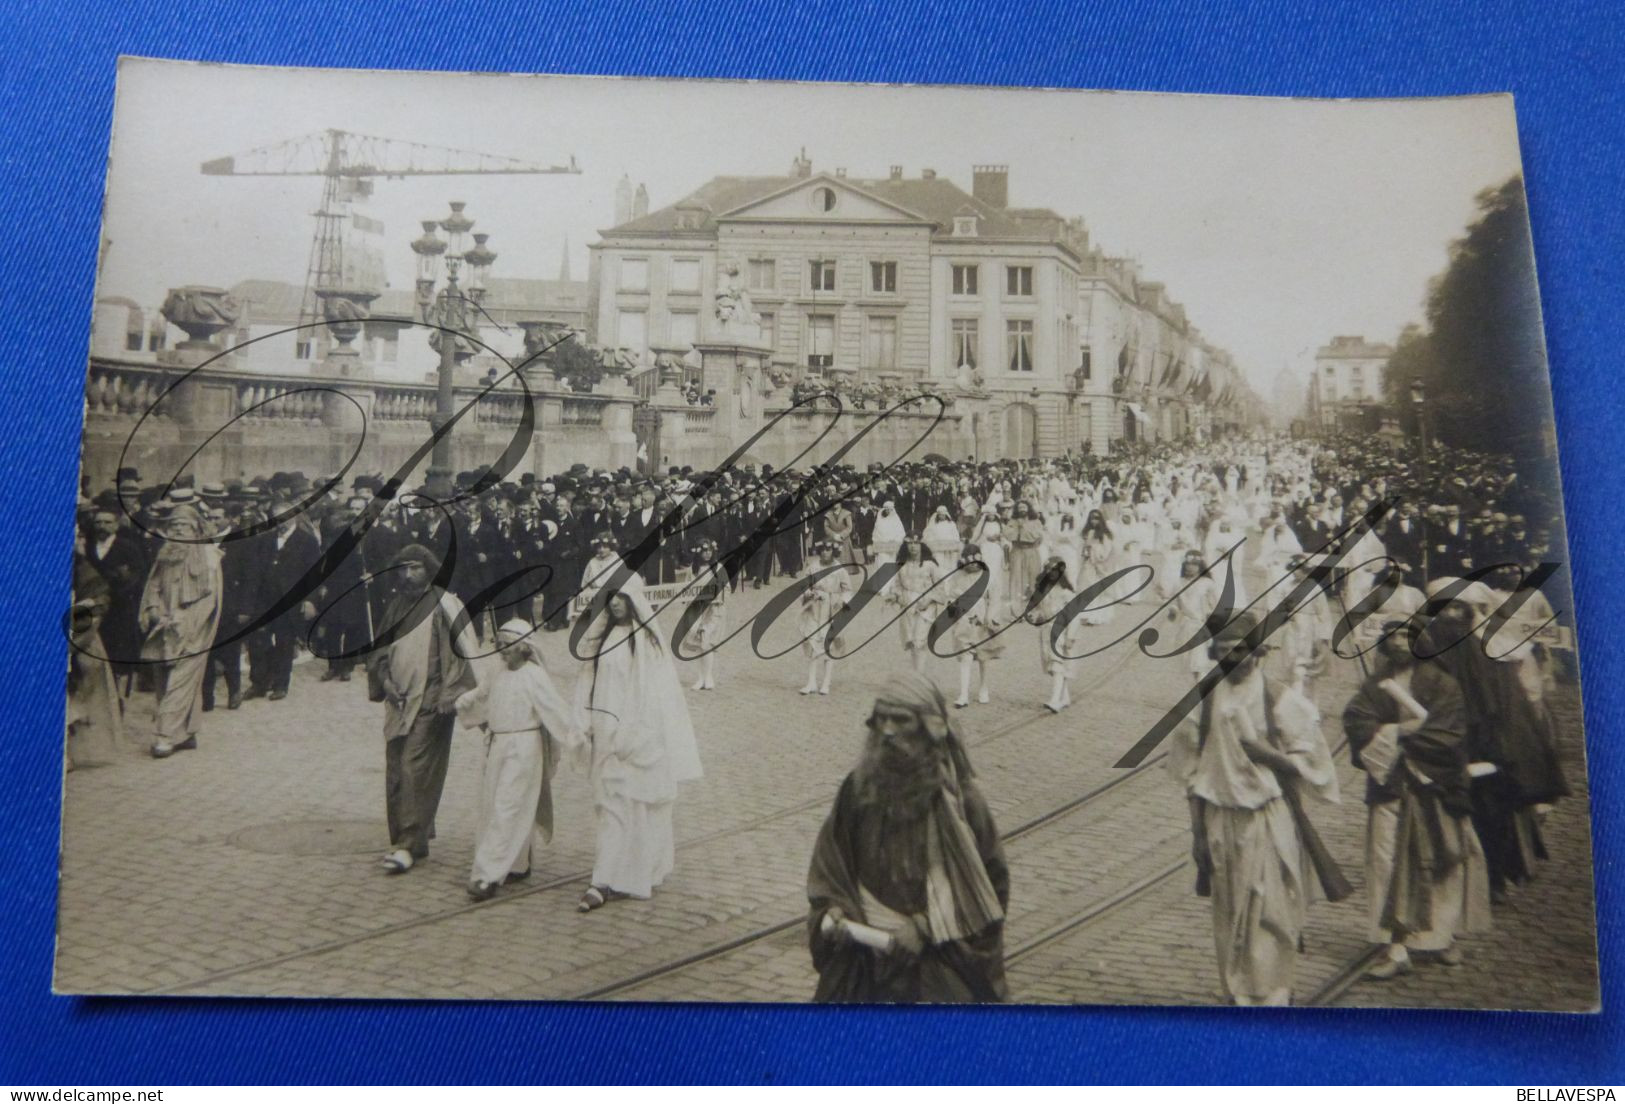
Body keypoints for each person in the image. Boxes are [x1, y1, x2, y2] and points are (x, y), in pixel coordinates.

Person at [1168, 611, 1341, 1006]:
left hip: (1267, 816)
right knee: (1229, 909)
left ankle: (1274, 992)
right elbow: (1191, 773)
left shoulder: (1279, 699)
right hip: (1220, 817)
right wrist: (1196, 833)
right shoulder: (1203, 703)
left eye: (1242, 650)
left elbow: (1313, 763)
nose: (1234, 659)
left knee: (1272, 905)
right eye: (1225, 652)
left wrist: (1267, 755)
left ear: (1257, 651)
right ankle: (1238, 990)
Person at [806, 672, 1010, 1002]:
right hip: (864, 963)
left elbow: (989, 890)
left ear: (929, 728)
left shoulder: (964, 803)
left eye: (900, 720)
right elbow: (831, 865)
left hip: (935, 964)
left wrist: (925, 927)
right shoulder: (857, 790)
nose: (887, 731)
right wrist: (835, 910)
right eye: (881, 720)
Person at [1343, 618, 1492, 979]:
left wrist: (1400, 740)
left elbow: (1449, 734)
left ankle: (1441, 936)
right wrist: (1397, 731)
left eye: (1406, 637)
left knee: (1445, 859)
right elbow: (1356, 719)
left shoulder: (1444, 684)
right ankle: (1395, 943)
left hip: (1435, 786)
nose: (1398, 644)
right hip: (1391, 787)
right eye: (1391, 638)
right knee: (1387, 861)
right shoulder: (1376, 685)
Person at [567, 584, 703, 910]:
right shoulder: (601, 640)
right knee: (607, 804)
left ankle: (607, 878)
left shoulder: (644, 644)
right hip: (604, 733)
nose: (615, 604)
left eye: (621, 598)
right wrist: (582, 721)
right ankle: (614, 873)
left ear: (633, 601)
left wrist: (632, 735)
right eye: (610, 598)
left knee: (630, 804)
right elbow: (588, 680)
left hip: (633, 736)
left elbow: (652, 694)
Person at [367, 543, 478, 874]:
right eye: (403, 568)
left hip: (431, 701)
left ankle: (408, 844)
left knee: (417, 769)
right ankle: (410, 838)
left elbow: (464, 653)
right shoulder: (396, 604)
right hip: (398, 701)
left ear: (429, 569)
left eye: (415, 568)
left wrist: (449, 694)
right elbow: (380, 650)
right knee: (397, 768)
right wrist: (385, 681)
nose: (408, 574)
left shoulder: (446, 605)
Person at [454, 620, 576, 901]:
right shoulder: (497, 670)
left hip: (523, 749)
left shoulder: (535, 676)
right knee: (493, 805)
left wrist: (580, 738)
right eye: (498, 644)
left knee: (507, 807)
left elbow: (557, 712)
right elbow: (483, 693)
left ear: (525, 648)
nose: (501, 650)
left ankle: (486, 875)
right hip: (496, 745)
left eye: (507, 644)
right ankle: (517, 864)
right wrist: (465, 701)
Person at [138, 504, 223, 759]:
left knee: (180, 681)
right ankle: (186, 733)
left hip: (191, 629)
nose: (178, 529)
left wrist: (186, 621)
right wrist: (153, 608)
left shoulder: (208, 557)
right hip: (162, 626)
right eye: (174, 525)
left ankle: (164, 736)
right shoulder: (166, 554)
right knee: (163, 678)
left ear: (196, 528)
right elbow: (152, 585)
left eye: (183, 525)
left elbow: (211, 599)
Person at [942, 543, 1005, 708]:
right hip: (963, 620)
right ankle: (963, 694)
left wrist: (991, 616)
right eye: (970, 564)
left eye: (976, 563)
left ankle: (983, 687)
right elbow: (950, 595)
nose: (973, 566)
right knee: (965, 656)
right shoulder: (957, 576)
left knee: (983, 656)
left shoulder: (988, 576)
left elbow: (996, 599)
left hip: (982, 620)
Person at [799, 541, 853, 696]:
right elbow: (804, 586)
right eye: (822, 550)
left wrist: (841, 601)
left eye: (828, 550)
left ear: (833, 551)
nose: (824, 553)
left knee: (828, 645)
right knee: (812, 642)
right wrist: (808, 593)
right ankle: (811, 682)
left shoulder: (839, 570)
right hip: (814, 609)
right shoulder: (812, 568)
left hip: (831, 610)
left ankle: (826, 682)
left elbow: (848, 590)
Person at [889, 534, 943, 673]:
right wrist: (898, 596)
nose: (913, 546)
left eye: (916, 543)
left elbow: (940, 587)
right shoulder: (902, 563)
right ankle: (916, 673)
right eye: (910, 543)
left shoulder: (929, 564)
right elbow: (896, 585)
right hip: (907, 605)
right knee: (911, 641)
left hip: (925, 607)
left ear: (921, 545)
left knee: (920, 641)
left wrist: (929, 598)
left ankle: (919, 677)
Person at [683, 539, 727, 691]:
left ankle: (708, 676)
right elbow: (686, 589)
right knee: (698, 644)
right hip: (697, 610)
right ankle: (700, 677)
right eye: (704, 550)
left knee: (707, 642)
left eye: (710, 551)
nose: (707, 553)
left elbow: (726, 588)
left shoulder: (718, 568)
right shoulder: (693, 570)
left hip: (714, 610)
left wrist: (717, 596)